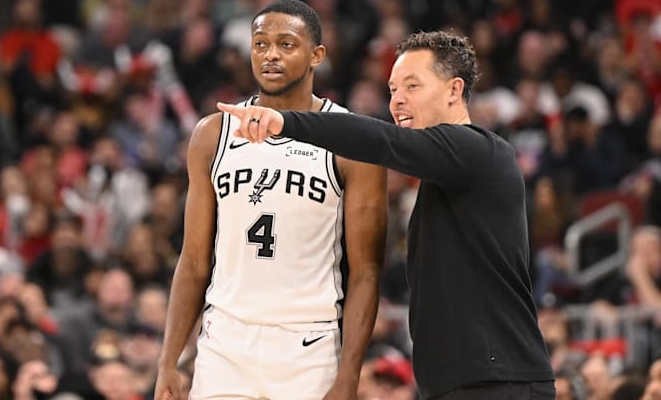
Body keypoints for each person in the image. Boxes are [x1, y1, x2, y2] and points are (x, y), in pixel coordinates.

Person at [219, 29, 555, 399]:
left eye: (412, 86)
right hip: (462, 383)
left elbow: (381, 141)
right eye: (393, 90)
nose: (397, 101)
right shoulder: (446, 173)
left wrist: (287, 122)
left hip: (498, 381)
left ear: (454, 90)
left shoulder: (479, 151)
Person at [155, 0, 387, 400]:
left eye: (286, 44)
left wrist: (349, 374)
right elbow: (193, 260)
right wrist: (168, 361)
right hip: (225, 343)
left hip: (309, 346)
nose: (271, 55)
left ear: (317, 55)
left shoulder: (350, 139)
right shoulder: (213, 134)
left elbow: (366, 271)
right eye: (260, 44)